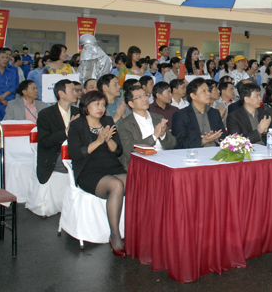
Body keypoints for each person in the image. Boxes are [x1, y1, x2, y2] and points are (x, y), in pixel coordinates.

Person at [67, 90, 127, 255]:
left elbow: (118, 151)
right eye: (97, 104)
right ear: (86, 106)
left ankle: (138, 229)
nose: (101, 108)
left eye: (103, 104)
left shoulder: (107, 121)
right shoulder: (77, 125)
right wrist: (99, 141)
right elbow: (75, 154)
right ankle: (115, 235)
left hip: (112, 167)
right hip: (89, 171)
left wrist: (108, 141)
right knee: (116, 185)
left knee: (138, 180)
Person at [117, 86, 175, 170]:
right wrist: (154, 136)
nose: (144, 99)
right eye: (139, 97)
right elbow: (129, 150)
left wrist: (163, 135)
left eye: (145, 95)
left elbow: (172, 145)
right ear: (131, 104)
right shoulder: (125, 124)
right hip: (141, 164)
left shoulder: (158, 118)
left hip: (164, 159)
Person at [36, 79, 78, 185]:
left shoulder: (79, 113)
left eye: (76, 90)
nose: (75, 93)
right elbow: (44, 141)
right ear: (61, 94)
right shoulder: (46, 114)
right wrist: (66, 131)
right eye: (72, 90)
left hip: (77, 153)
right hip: (56, 154)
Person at [171, 78, 227, 149]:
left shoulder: (214, 113)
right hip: (194, 153)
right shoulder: (181, 115)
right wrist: (203, 141)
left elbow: (224, 136)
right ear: (193, 96)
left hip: (216, 151)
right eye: (203, 91)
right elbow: (180, 143)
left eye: (208, 90)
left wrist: (217, 138)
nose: (208, 94)